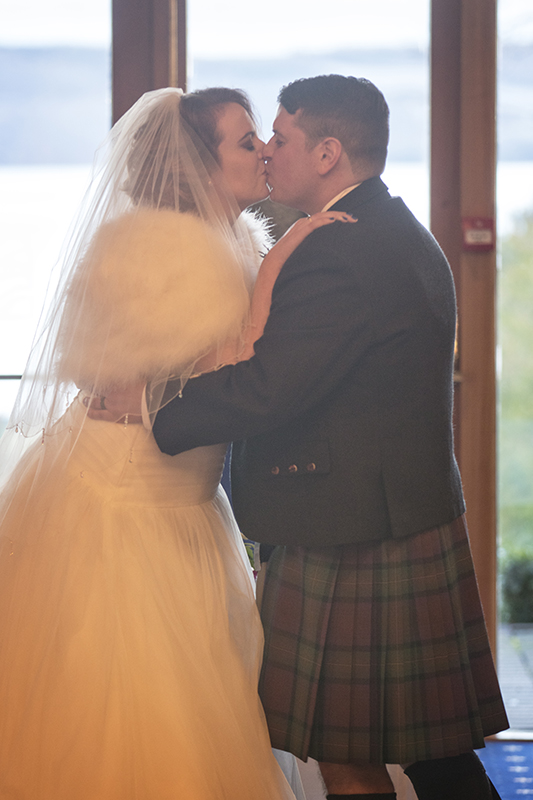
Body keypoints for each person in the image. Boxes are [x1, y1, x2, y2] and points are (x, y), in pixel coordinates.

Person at [88, 75, 509, 800]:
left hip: (351, 530)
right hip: (385, 514)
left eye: (279, 138)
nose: (267, 151)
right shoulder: (385, 227)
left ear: (327, 154)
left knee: (350, 759)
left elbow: (269, 388)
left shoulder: (340, 250)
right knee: (430, 756)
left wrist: (156, 409)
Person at [0, 84, 352, 799]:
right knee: (125, 704)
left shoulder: (228, 238)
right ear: (199, 166)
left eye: (262, 137)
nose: (263, 150)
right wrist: (285, 256)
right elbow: (229, 366)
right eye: (245, 141)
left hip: (184, 498)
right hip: (123, 502)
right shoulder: (166, 249)